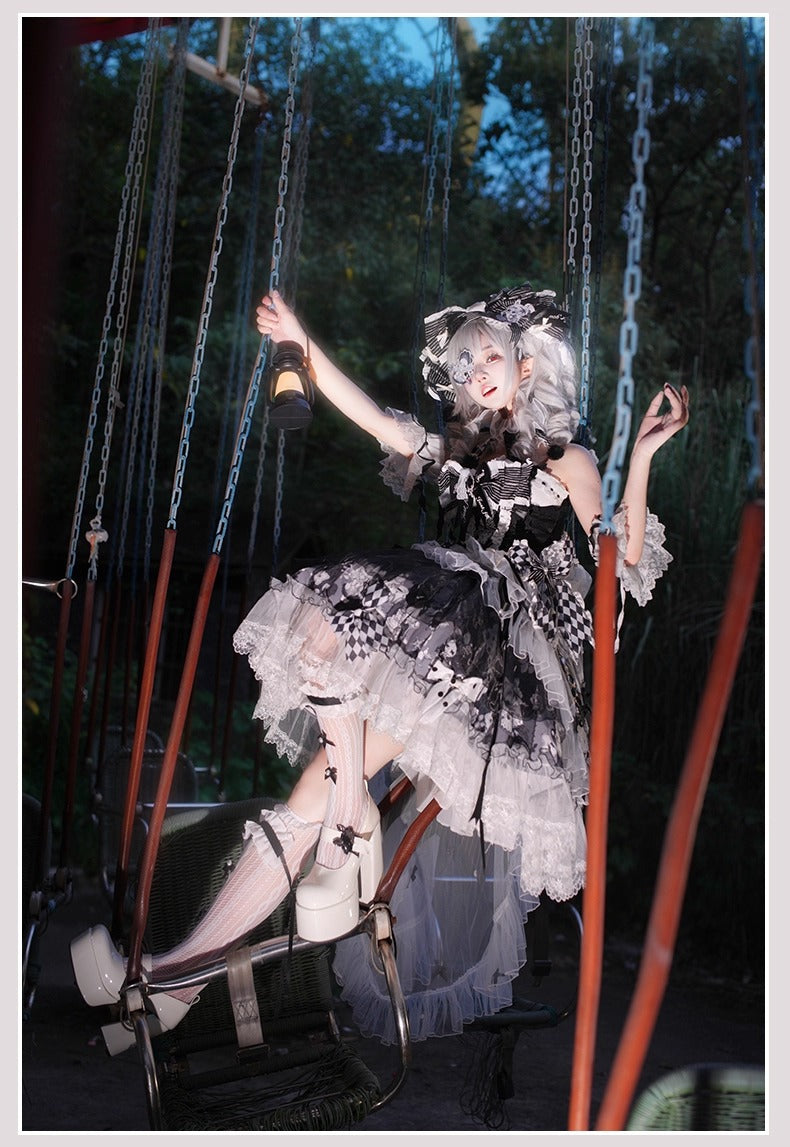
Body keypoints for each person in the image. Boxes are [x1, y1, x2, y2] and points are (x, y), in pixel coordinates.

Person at [71, 283, 689, 1053]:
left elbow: (617, 562)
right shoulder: (465, 452)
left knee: (339, 639)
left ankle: (343, 827)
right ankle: (173, 983)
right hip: (452, 637)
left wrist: (643, 458)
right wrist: (301, 344)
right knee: (316, 740)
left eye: (492, 357)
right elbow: (375, 420)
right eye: (466, 362)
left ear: (526, 367)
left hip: (502, 660)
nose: (477, 371)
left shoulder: (567, 459)